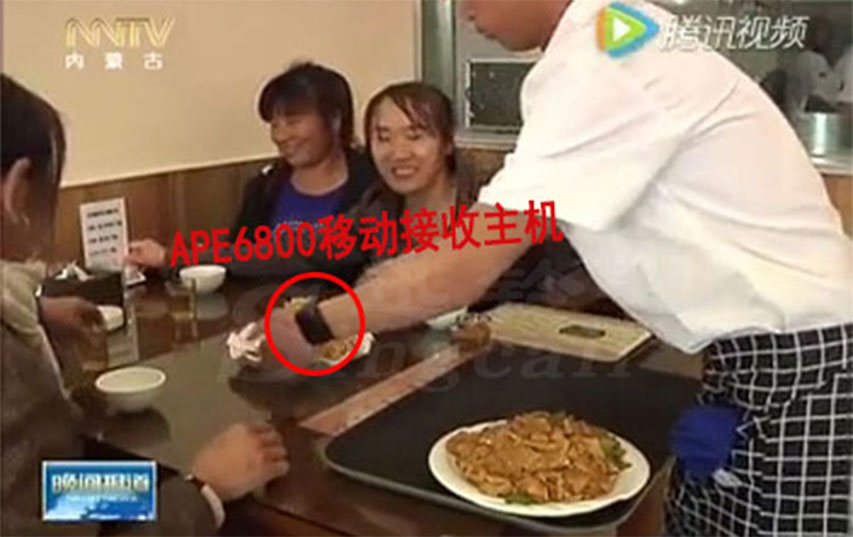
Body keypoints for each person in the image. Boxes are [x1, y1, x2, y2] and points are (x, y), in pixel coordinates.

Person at [263, 1, 853, 536]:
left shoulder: (605, 57)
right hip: (753, 359)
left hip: (803, 366)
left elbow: (461, 268)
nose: (462, 10)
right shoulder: (613, 38)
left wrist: (316, 323)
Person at [0, 73, 289, 535]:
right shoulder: (268, 186)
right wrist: (203, 490)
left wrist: (38, 313)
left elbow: (47, 493)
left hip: (55, 493)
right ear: (17, 188)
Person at [127, 62, 377, 280]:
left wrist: (171, 257)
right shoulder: (264, 187)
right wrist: (169, 258)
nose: (281, 136)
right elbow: (239, 256)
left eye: (292, 122)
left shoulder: (375, 188)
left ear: (334, 120)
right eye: (274, 124)